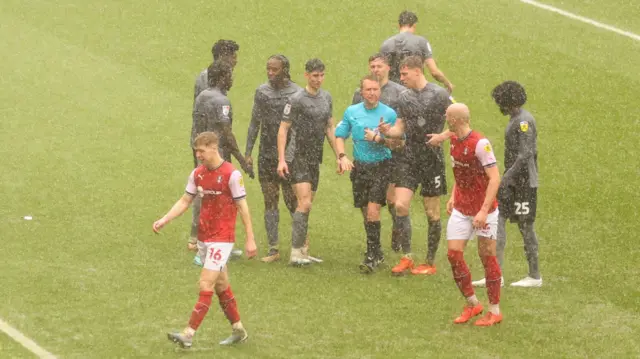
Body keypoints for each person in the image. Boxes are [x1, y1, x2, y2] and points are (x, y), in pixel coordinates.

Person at [153, 131, 257, 348]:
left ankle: (188, 334)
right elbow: (185, 200)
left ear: (213, 147)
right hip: (204, 237)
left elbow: (243, 207)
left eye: (201, 150)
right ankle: (238, 329)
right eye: (196, 151)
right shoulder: (197, 174)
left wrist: (250, 239)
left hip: (222, 238)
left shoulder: (232, 175)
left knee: (205, 283)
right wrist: (165, 219)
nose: (198, 155)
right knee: (221, 285)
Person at [378, 55, 451, 276]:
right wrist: (387, 131)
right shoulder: (403, 97)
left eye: (404, 74)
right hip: (409, 157)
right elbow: (400, 128)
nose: (401, 78)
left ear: (417, 71)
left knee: (432, 213)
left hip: (431, 159)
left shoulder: (439, 95)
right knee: (400, 205)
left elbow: (461, 122)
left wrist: (442, 136)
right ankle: (407, 256)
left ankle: (429, 261)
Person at [472, 81, 541, 287]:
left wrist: (506, 178)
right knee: (498, 222)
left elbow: (525, 154)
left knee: (525, 226)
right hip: (511, 181)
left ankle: (535, 276)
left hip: (524, 183)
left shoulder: (523, 122)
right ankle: (496, 275)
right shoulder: (515, 119)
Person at [442, 103, 503, 326]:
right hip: (461, 208)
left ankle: (494, 311)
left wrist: (483, 211)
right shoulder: (453, 141)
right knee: (453, 254)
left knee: (487, 256)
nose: (445, 118)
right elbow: (461, 175)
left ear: (457, 120)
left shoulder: (480, 144)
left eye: (448, 116)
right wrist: (452, 196)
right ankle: (472, 303)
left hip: (483, 211)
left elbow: (495, 178)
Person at [189, 61, 254, 265]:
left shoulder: (201, 96)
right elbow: (226, 133)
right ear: (223, 77)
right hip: (217, 155)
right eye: (229, 75)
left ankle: (210, 245)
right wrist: (242, 161)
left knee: (207, 198)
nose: (232, 79)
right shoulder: (222, 101)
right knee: (223, 201)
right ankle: (212, 248)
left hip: (201, 151)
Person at [277, 58, 339, 265]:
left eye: (321, 75)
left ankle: (303, 250)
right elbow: (283, 128)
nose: (318, 80)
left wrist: (340, 155)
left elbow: (329, 128)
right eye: (315, 76)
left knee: (307, 204)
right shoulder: (296, 99)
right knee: (304, 202)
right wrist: (281, 160)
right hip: (297, 156)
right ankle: (295, 252)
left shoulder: (326, 98)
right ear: (306, 75)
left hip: (314, 158)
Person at [336, 74, 397, 273]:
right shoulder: (351, 112)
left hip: (381, 166)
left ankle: (371, 256)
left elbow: (399, 144)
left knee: (373, 211)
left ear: (380, 90)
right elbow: (339, 135)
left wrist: (380, 137)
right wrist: (342, 156)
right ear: (361, 92)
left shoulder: (389, 114)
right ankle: (377, 249)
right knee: (365, 212)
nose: (372, 93)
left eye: (375, 89)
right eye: (368, 89)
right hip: (360, 167)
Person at [245, 55, 301, 263]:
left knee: (292, 200)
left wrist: (288, 156)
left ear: (285, 70)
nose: (270, 73)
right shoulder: (262, 92)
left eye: (274, 70)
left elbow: (297, 129)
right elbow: (254, 122)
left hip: (289, 156)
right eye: (268, 69)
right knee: (270, 200)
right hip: (266, 155)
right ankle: (273, 248)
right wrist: (248, 152)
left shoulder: (296, 94)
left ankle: (299, 245)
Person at [352, 53, 406, 252]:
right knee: (366, 204)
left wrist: (389, 137)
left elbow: (403, 123)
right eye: (372, 66)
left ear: (388, 68)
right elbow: (355, 118)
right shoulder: (361, 92)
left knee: (392, 200)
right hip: (368, 155)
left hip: (393, 154)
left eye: (379, 66)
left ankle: (398, 229)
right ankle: (373, 242)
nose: (376, 69)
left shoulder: (399, 93)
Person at [380, 11, 454, 93]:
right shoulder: (421, 42)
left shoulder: (386, 44)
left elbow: (380, 72)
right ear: (414, 25)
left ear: (399, 25)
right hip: (415, 93)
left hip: (393, 93)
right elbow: (434, 72)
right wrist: (447, 83)